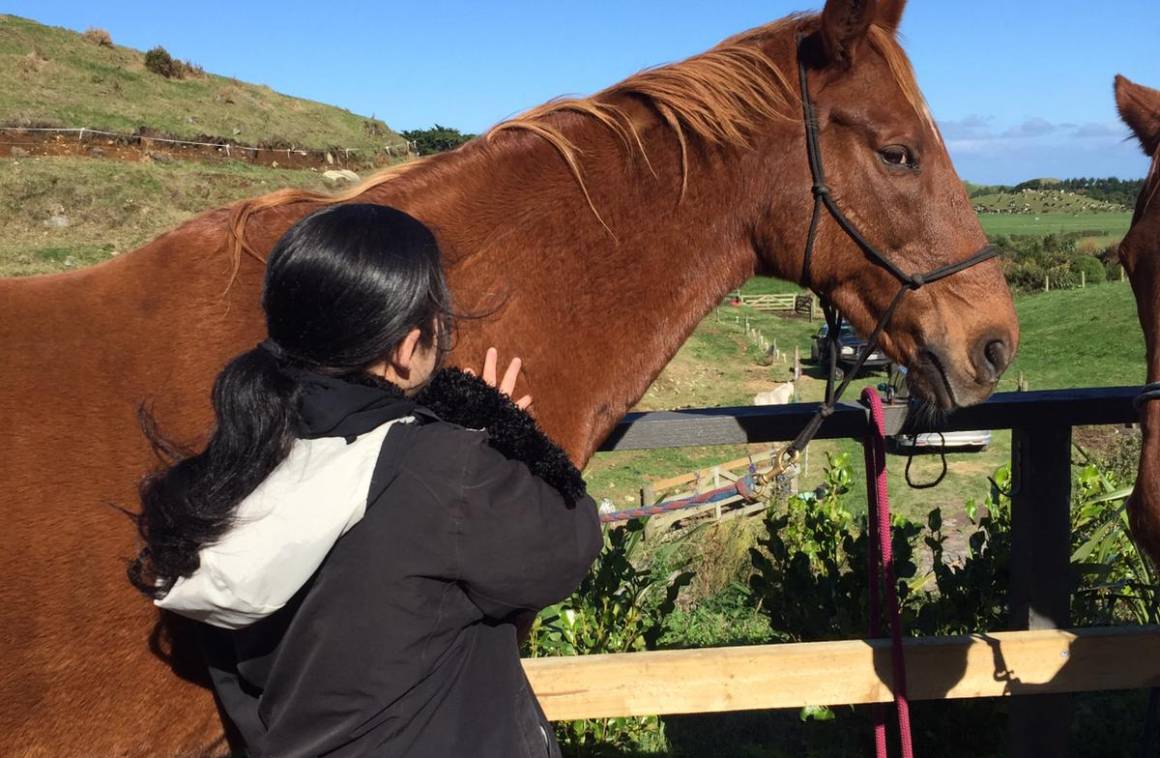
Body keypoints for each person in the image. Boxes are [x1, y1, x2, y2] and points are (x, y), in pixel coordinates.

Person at [128, 203, 603, 757]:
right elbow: (568, 546)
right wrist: (502, 426)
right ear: (406, 348)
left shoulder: (228, 467)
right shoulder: (441, 469)